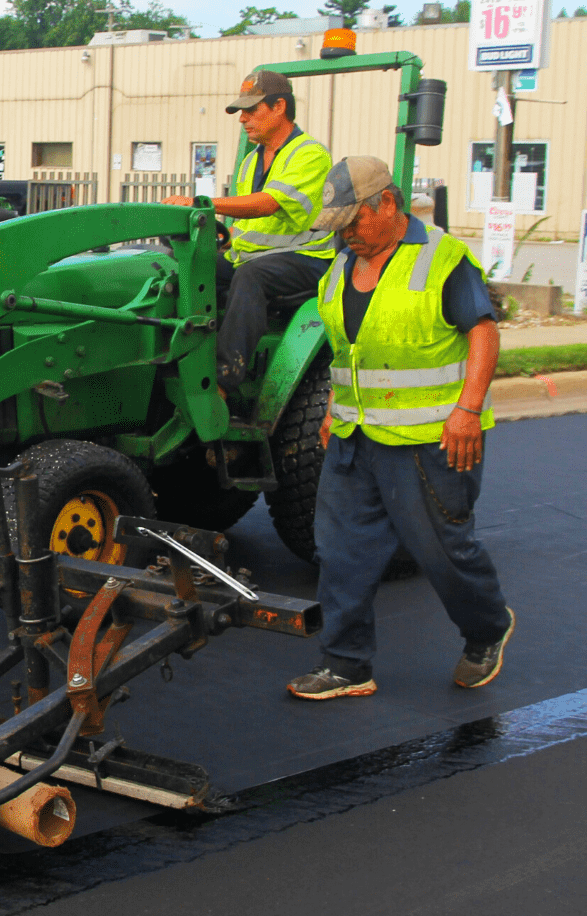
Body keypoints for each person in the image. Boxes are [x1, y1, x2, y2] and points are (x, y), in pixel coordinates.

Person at [287, 155, 515, 701]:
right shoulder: (342, 263)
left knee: (441, 551)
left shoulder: (442, 260)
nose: (345, 235)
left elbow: (482, 332)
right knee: (340, 552)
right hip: (353, 436)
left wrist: (468, 409)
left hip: (430, 440)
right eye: (337, 226)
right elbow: (350, 349)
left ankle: (487, 628)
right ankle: (345, 665)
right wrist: (331, 411)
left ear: (385, 204)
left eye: (353, 222)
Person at [162, 71, 336, 393]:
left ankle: (223, 380)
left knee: (252, 277)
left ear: (279, 106)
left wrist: (202, 204)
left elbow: (267, 204)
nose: (243, 119)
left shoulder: (310, 154)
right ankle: (173, 357)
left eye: (251, 110)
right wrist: (223, 240)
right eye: (241, 112)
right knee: (181, 267)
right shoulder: (250, 161)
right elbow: (245, 220)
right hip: (253, 258)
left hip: (306, 260)